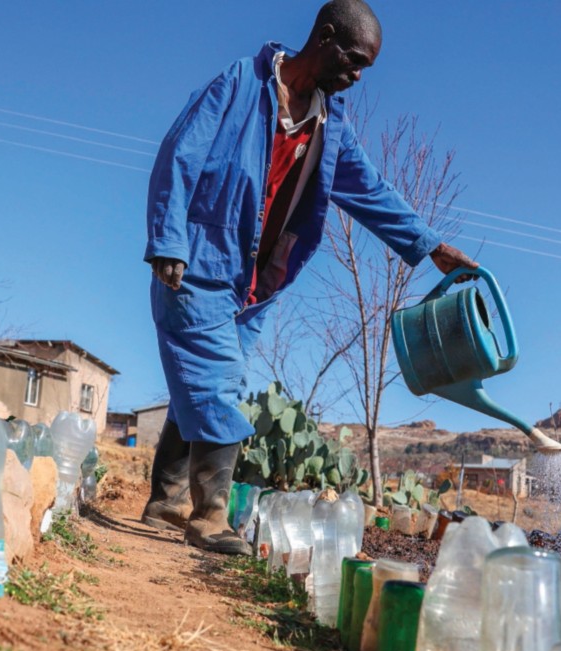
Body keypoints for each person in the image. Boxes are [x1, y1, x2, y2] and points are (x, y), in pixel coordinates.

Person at [143, 0, 478, 555]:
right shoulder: (240, 85)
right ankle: (208, 517)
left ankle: (165, 500)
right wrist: (168, 241)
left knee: (199, 383)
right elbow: (179, 155)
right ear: (324, 38)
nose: (357, 76)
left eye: (365, 68)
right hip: (198, 257)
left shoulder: (328, 125)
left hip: (256, 282)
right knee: (215, 377)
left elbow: (370, 191)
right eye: (354, 61)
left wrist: (430, 246)